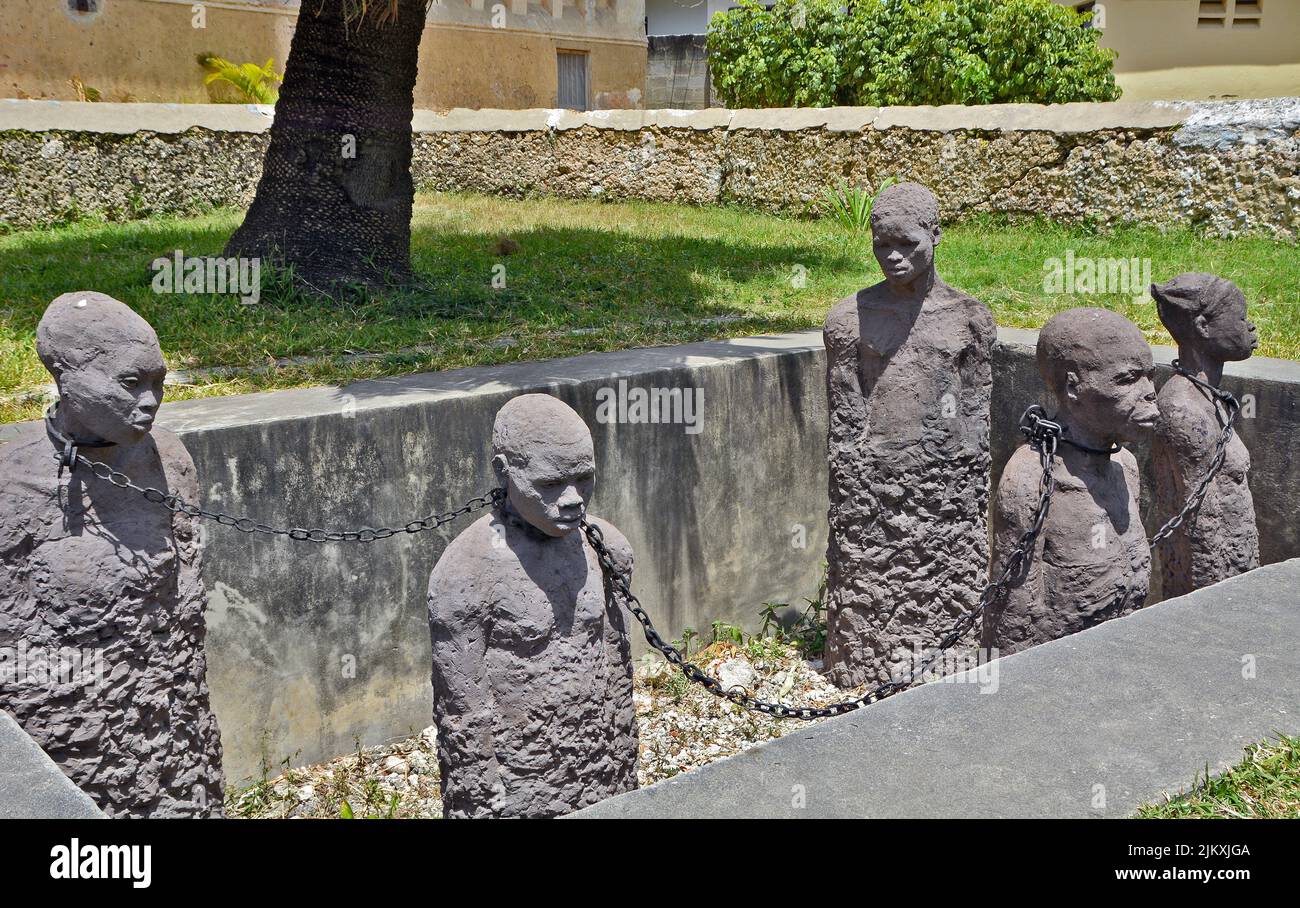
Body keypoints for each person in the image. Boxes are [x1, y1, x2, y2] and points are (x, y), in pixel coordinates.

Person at [0, 291, 224, 817]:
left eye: (158, 383)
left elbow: (186, 602)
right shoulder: (12, 485)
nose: (149, 401)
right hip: (74, 738)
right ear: (63, 373)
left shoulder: (169, 459)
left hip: (174, 728)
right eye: (129, 383)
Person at [427, 394, 638, 818]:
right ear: (505, 473)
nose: (573, 499)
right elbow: (463, 713)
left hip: (599, 768)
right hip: (519, 785)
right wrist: (481, 793)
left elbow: (617, 669)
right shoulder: (466, 573)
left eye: (584, 479)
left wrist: (621, 754)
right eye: (549, 485)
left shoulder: (606, 547)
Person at [822, 182, 996, 687]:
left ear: (935, 236)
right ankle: (864, 663)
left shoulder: (969, 318)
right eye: (883, 245)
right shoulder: (849, 319)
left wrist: (949, 484)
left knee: (942, 601)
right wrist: (864, 491)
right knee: (875, 601)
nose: (893, 257)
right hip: (875, 501)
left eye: (907, 244)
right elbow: (845, 420)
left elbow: (976, 415)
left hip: (944, 502)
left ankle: (949, 655)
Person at [981, 308, 1158, 655]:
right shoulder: (1031, 476)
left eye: (1149, 376)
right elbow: (1013, 612)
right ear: (1073, 386)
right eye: (1127, 379)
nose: (1150, 392)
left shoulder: (1126, 465)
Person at [1151, 273, 1260, 598]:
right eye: (1240, 318)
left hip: (1236, 576)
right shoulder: (1185, 411)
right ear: (1203, 326)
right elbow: (1201, 525)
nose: (1250, 326)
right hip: (1211, 586)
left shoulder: (1210, 398)